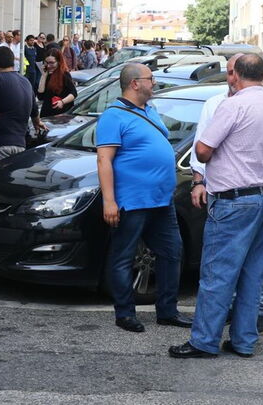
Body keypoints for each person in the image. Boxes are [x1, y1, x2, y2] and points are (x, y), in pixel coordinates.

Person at [169, 54, 263, 359]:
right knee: (251, 274)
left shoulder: (233, 105)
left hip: (235, 200)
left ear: (236, 75)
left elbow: (202, 150)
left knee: (217, 274)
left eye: (229, 74)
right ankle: (244, 341)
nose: (229, 79)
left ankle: (204, 341)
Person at [96, 63, 192, 333]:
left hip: (162, 200)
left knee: (172, 253)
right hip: (133, 201)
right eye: (151, 79)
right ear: (135, 83)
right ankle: (125, 313)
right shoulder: (113, 117)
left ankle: (167, 311)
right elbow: (104, 160)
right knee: (123, 257)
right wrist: (109, 201)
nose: (155, 83)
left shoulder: (150, 110)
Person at [0, 47, 45, 162]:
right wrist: (37, 123)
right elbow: (34, 111)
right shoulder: (26, 82)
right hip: (20, 145)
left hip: (0, 144)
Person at [37, 49, 77, 118]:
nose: (49, 66)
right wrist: (43, 75)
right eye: (46, 62)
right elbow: (40, 96)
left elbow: (73, 93)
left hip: (61, 115)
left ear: (59, 62)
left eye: (52, 63)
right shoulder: (46, 74)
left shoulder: (64, 74)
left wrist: (62, 102)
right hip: (47, 114)